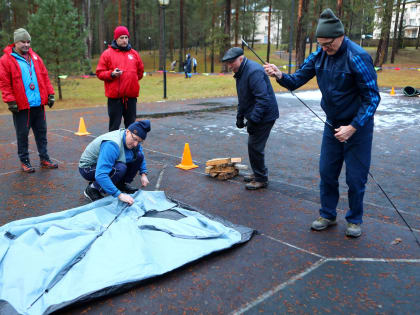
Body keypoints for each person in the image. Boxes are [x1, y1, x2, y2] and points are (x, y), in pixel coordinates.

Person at [264, 8, 380, 238]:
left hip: (357, 127)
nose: (324, 48)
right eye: (321, 43)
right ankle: (327, 214)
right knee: (327, 172)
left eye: (328, 43)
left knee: (355, 178)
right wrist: (280, 75)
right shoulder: (319, 55)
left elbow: (372, 97)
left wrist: (353, 127)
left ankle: (354, 219)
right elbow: (297, 79)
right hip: (332, 124)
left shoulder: (357, 57)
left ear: (340, 36)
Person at [0, 28, 58, 173]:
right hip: (21, 106)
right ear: (15, 42)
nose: (26, 45)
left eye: (28, 42)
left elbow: (44, 76)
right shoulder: (6, 60)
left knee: (41, 133)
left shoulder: (35, 57)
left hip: (38, 104)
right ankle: (25, 161)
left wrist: (50, 94)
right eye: (23, 42)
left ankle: (44, 158)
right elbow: (4, 83)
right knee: (22, 135)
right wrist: (10, 101)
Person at [222, 47, 279, 190]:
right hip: (256, 113)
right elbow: (243, 97)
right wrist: (240, 116)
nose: (230, 66)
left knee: (255, 146)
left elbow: (263, 99)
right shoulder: (240, 72)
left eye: (231, 62)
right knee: (253, 146)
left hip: (265, 115)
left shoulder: (253, 71)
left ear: (241, 58)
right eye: (228, 63)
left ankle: (261, 179)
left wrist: (253, 120)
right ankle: (258, 173)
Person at [79, 120, 151, 205]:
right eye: (134, 139)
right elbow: (101, 174)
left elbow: (140, 153)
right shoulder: (112, 144)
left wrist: (143, 174)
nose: (136, 144)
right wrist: (119, 195)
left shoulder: (133, 139)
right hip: (88, 168)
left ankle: (120, 184)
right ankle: (93, 189)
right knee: (120, 168)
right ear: (127, 131)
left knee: (138, 156)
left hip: (101, 164)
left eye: (139, 141)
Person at [96, 26, 144, 132]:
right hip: (115, 100)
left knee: (131, 128)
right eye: (121, 37)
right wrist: (112, 74)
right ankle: (112, 148)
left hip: (130, 98)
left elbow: (139, 73)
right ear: (116, 39)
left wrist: (131, 81)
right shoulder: (107, 54)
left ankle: (130, 148)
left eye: (126, 37)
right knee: (114, 128)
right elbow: (99, 73)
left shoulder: (134, 54)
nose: (124, 40)